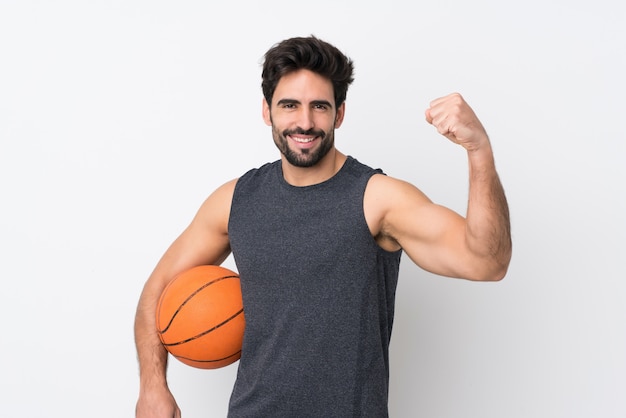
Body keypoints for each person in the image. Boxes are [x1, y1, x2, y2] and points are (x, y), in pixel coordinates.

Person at [134, 35, 512, 418]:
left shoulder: (377, 199)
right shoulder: (235, 201)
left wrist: (478, 150)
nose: (305, 122)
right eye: (289, 105)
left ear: (339, 113)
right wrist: (152, 387)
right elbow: (158, 287)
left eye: (319, 106)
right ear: (267, 111)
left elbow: (487, 262)